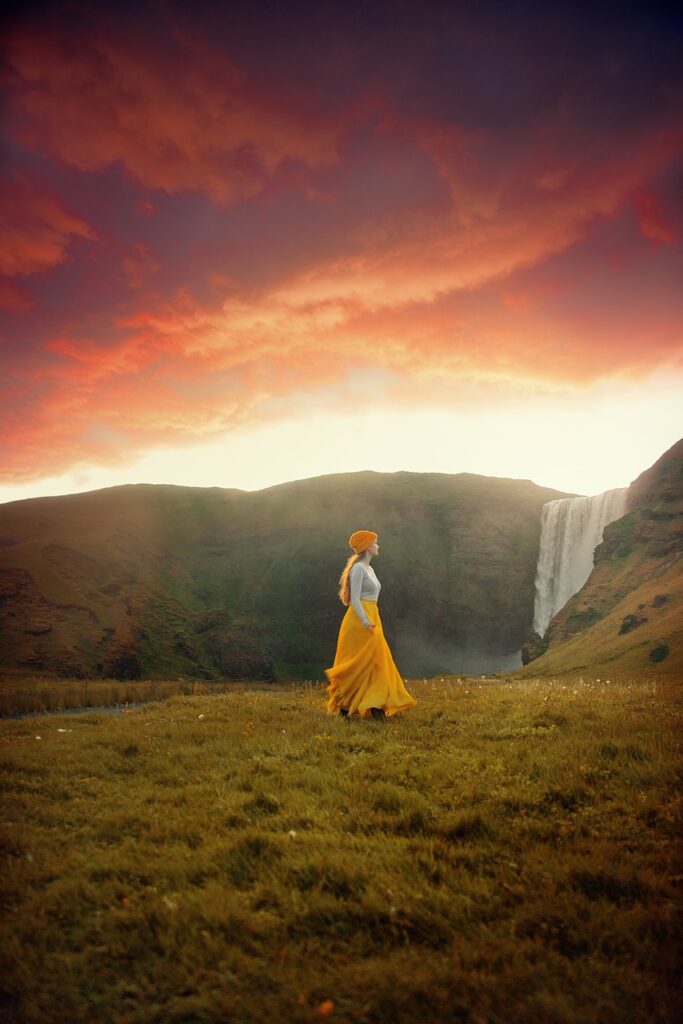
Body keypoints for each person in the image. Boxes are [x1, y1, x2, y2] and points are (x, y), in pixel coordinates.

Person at [325, 529, 417, 721]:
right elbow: (355, 600)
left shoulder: (370, 569)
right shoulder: (358, 569)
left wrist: (371, 618)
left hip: (372, 615)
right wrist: (366, 621)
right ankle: (346, 708)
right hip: (360, 621)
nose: (378, 546)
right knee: (359, 663)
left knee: (376, 662)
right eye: (375, 543)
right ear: (367, 547)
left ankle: (376, 706)